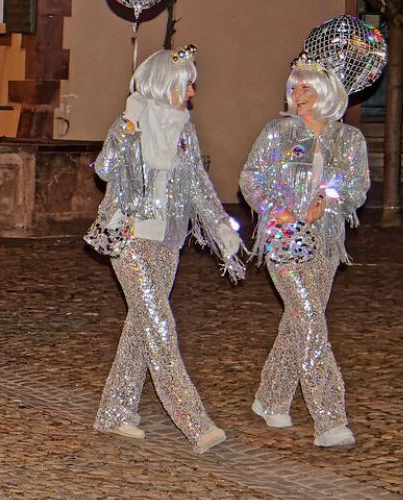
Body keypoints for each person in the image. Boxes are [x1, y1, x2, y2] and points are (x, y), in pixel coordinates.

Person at [86, 46, 243, 454]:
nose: (191, 93)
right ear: (166, 84)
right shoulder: (129, 124)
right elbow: (103, 169)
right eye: (187, 84)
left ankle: (114, 410)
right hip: (130, 238)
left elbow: (197, 187)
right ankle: (196, 422)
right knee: (160, 326)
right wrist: (127, 130)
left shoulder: (185, 132)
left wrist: (222, 227)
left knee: (142, 326)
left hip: (168, 241)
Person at [240, 56, 369, 448]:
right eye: (293, 88)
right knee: (311, 323)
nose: (297, 96)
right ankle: (330, 419)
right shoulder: (277, 132)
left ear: (326, 93)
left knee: (300, 322)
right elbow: (251, 176)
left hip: (326, 244)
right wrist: (274, 208)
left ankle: (271, 397)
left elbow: (356, 187)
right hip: (283, 240)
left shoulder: (349, 140)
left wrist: (328, 199)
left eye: (305, 89)